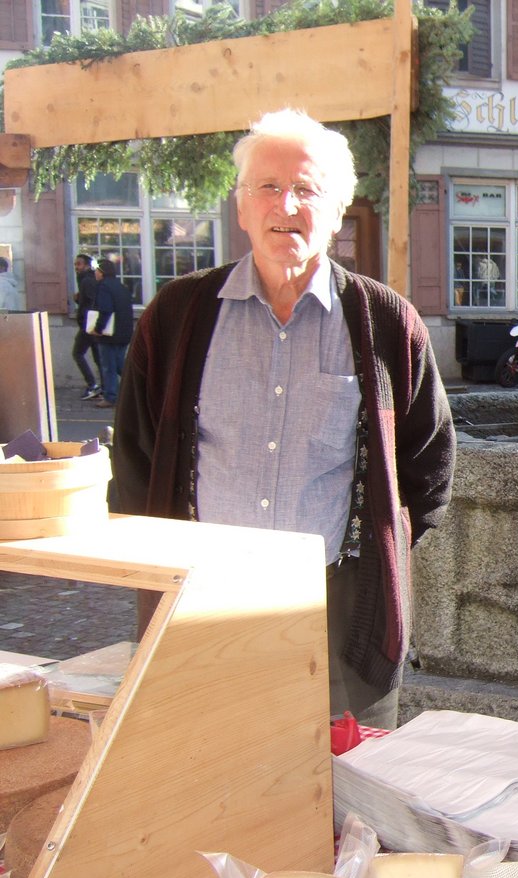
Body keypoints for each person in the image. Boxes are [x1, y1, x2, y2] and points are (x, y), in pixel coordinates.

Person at [113, 109, 455, 729]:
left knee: (345, 802)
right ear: (241, 206)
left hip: (340, 615)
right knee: (211, 781)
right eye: (267, 187)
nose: (286, 205)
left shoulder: (386, 323)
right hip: (200, 608)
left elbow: (428, 467)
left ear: (337, 208)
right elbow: (134, 460)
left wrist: (375, 553)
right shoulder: (176, 317)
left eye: (307, 189)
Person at [91, 257, 134, 408]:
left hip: (110, 334)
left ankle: (110, 396)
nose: (94, 273)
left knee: (109, 366)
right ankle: (136, 386)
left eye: (96, 270)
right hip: (124, 332)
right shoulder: (121, 286)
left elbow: (105, 310)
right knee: (119, 364)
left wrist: (98, 329)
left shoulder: (104, 287)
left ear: (101, 272)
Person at [72, 254, 102, 398]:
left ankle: (93, 385)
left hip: (89, 324)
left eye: (79, 264)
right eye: (75, 264)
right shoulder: (88, 279)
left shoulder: (86, 281)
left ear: (87, 265)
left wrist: (86, 321)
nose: (77, 267)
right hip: (91, 323)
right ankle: (105, 387)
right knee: (97, 356)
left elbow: (91, 303)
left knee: (77, 353)